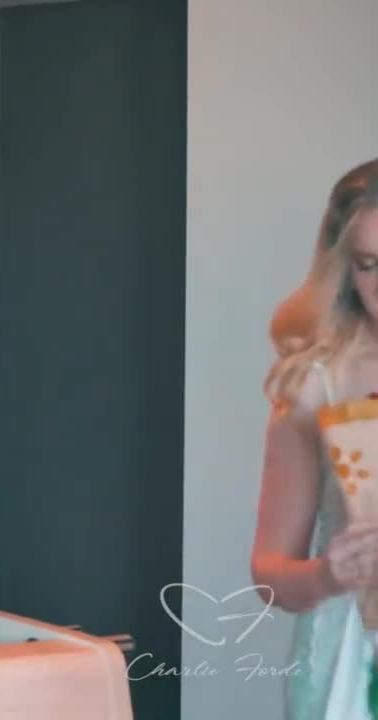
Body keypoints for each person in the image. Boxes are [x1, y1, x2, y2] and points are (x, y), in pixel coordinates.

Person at [255, 158, 378, 718]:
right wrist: (329, 573)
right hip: (352, 664)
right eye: (370, 265)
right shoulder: (316, 382)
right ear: (345, 268)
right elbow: (270, 574)